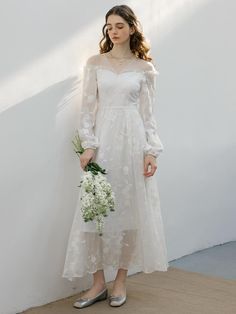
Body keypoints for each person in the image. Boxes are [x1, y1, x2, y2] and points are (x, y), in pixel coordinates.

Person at [62, 4, 169, 308]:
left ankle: (120, 280)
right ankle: (97, 284)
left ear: (132, 28)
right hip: (104, 142)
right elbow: (87, 110)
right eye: (109, 26)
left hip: (133, 144)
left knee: (129, 210)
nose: (113, 31)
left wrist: (151, 151)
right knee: (94, 210)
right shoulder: (95, 63)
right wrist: (89, 145)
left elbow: (149, 116)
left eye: (120, 25)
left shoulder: (145, 69)